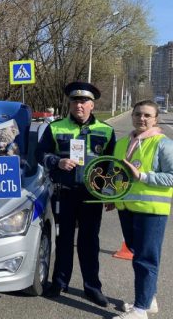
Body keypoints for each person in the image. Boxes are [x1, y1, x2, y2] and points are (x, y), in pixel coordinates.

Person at [36, 81, 116, 306]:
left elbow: (113, 166)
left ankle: (92, 288)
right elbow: (39, 153)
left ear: (92, 105)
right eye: (75, 101)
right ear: (69, 104)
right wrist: (57, 161)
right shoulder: (56, 127)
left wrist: (109, 194)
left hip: (92, 195)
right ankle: (59, 283)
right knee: (63, 240)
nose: (79, 105)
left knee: (89, 242)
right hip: (65, 194)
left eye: (84, 101)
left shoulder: (107, 130)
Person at [111, 100, 173, 319]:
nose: (142, 118)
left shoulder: (162, 144)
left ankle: (139, 311)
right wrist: (112, 196)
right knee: (139, 255)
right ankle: (149, 300)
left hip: (151, 210)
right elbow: (117, 174)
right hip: (126, 208)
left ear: (156, 119)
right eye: (138, 114)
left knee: (145, 259)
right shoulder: (122, 143)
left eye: (147, 115)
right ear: (132, 116)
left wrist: (143, 176)